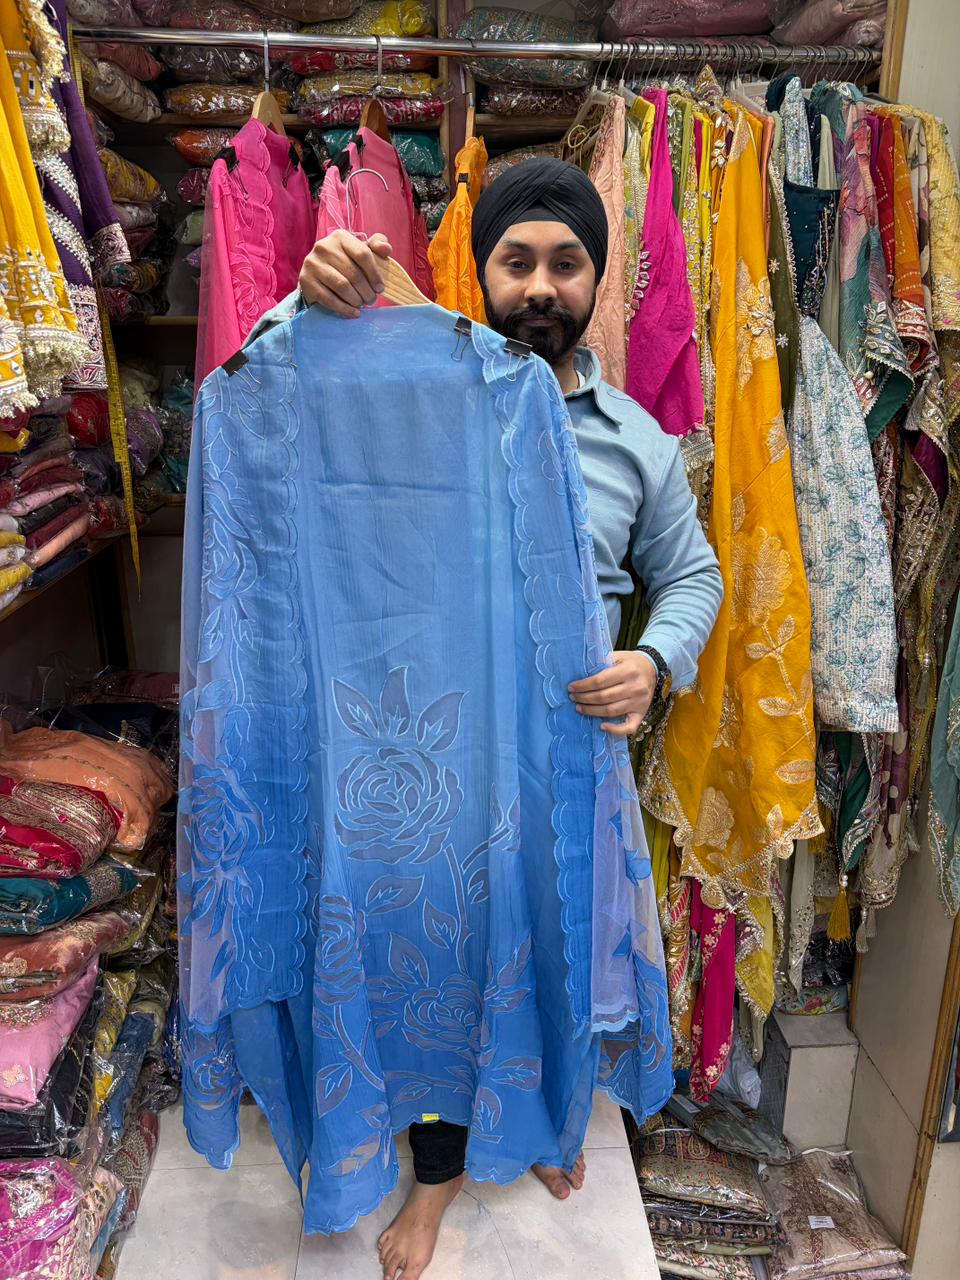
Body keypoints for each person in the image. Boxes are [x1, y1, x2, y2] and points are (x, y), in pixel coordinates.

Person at [283, 158, 724, 1280]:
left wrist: (653, 660)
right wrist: (316, 301)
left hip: (566, 764)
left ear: (597, 281)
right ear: (479, 274)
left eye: (566, 263)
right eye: (515, 260)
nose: (539, 285)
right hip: (438, 763)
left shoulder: (637, 440)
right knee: (442, 964)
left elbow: (694, 575)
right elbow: (300, 420)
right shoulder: (421, 407)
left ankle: (541, 1121)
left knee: (558, 953)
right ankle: (434, 1176)